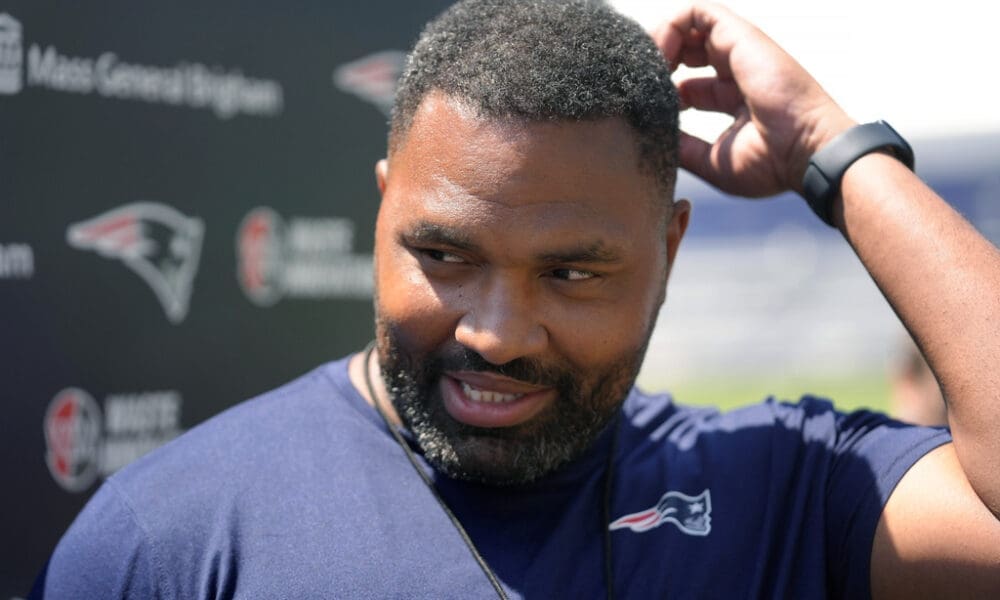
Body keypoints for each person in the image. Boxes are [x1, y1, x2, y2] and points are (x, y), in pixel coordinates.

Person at [31, 1, 1000, 598]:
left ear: (666, 248)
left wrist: (833, 151)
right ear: (381, 214)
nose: (493, 334)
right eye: (444, 255)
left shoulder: (785, 494)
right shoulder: (172, 535)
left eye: (571, 272)